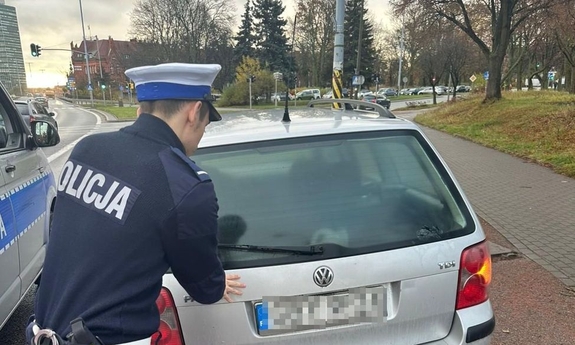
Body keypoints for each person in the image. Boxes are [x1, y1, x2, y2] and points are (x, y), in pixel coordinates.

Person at [26, 63, 246, 345]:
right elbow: (205, 290)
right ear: (194, 112)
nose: (201, 136)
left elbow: (84, 239)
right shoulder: (185, 184)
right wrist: (213, 281)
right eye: (206, 123)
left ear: (141, 111)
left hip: (43, 333)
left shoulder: (87, 149)